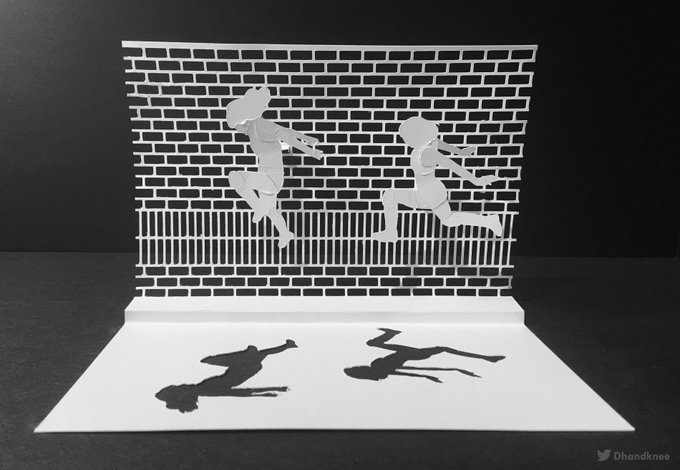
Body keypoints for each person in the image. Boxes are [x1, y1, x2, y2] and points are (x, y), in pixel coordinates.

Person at [372, 116, 503, 242]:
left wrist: (476, 180)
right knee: (449, 220)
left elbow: (453, 166)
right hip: (433, 190)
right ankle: (490, 221)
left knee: (390, 195)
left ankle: (391, 233)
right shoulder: (428, 145)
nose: (405, 140)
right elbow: (441, 144)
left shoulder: (427, 153)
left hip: (425, 194)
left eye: (406, 137)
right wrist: (461, 152)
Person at [226, 87, 324, 248]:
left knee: (236, 177)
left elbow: (285, 136)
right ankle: (285, 233)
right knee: (271, 211)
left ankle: (258, 207)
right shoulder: (253, 127)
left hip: (272, 177)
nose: (238, 129)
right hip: (265, 175)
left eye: (238, 124)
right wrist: (307, 138)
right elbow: (286, 130)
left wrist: (310, 151)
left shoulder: (260, 125)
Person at [156, 339, 297, 413]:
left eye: (180, 386)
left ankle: (287, 346)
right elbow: (239, 393)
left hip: (237, 370)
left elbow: (239, 392)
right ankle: (287, 346)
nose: (183, 385)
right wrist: (272, 391)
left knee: (262, 354)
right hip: (241, 371)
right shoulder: (205, 390)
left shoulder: (202, 388)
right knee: (262, 354)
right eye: (182, 388)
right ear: (185, 395)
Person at [344, 328, 504, 383]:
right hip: (413, 354)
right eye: (356, 368)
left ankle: (487, 358)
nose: (358, 365)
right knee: (373, 343)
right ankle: (487, 358)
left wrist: (427, 376)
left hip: (409, 353)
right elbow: (411, 372)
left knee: (372, 343)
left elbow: (410, 373)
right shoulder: (382, 370)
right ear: (362, 371)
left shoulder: (380, 370)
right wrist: (428, 376)